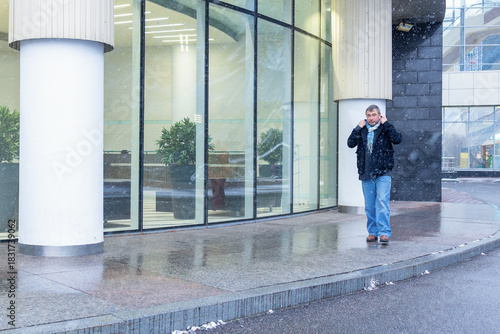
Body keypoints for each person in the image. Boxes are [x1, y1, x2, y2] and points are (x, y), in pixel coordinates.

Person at [347, 105, 402, 244]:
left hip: (383, 172)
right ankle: (372, 232)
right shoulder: (362, 130)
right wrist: (357, 128)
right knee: (369, 206)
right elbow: (350, 143)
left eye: (374, 115)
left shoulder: (385, 129)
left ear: (379, 116)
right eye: (369, 115)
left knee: (382, 202)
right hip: (366, 173)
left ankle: (384, 233)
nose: (371, 118)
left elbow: (397, 139)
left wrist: (387, 123)